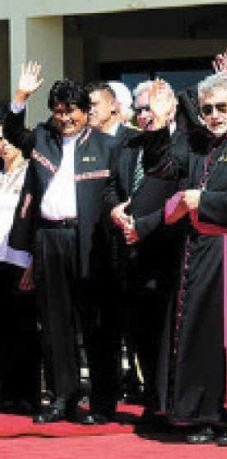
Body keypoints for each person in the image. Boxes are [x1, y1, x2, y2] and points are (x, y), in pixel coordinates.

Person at [138, 73, 227, 446]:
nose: (214, 115)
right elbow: (159, 168)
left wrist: (204, 201)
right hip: (197, 253)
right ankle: (204, 415)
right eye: (207, 109)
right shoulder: (197, 144)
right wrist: (159, 125)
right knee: (201, 336)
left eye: (221, 107)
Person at [4, 62, 118, 425]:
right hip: (48, 238)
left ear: (85, 111)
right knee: (55, 323)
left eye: (71, 112)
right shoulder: (42, 137)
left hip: (89, 241)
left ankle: (102, 403)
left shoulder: (107, 145)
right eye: (57, 112)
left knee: (94, 323)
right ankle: (62, 398)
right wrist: (21, 96)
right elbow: (12, 131)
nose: (64, 119)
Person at [102, 79, 182, 415]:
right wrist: (115, 209)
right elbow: (110, 187)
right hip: (131, 255)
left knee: (167, 334)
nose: (144, 115)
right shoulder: (128, 144)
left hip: (168, 252)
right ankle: (152, 402)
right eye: (139, 110)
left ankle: (169, 404)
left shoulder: (184, 144)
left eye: (150, 108)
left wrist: (145, 225)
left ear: (170, 107)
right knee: (142, 334)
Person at [0, 115, 40, 414]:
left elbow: (35, 221)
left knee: (24, 328)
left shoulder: (31, 174)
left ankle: (27, 394)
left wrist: (33, 263)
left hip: (21, 260)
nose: (3, 145)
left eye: (7, 139)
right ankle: (5, 392)